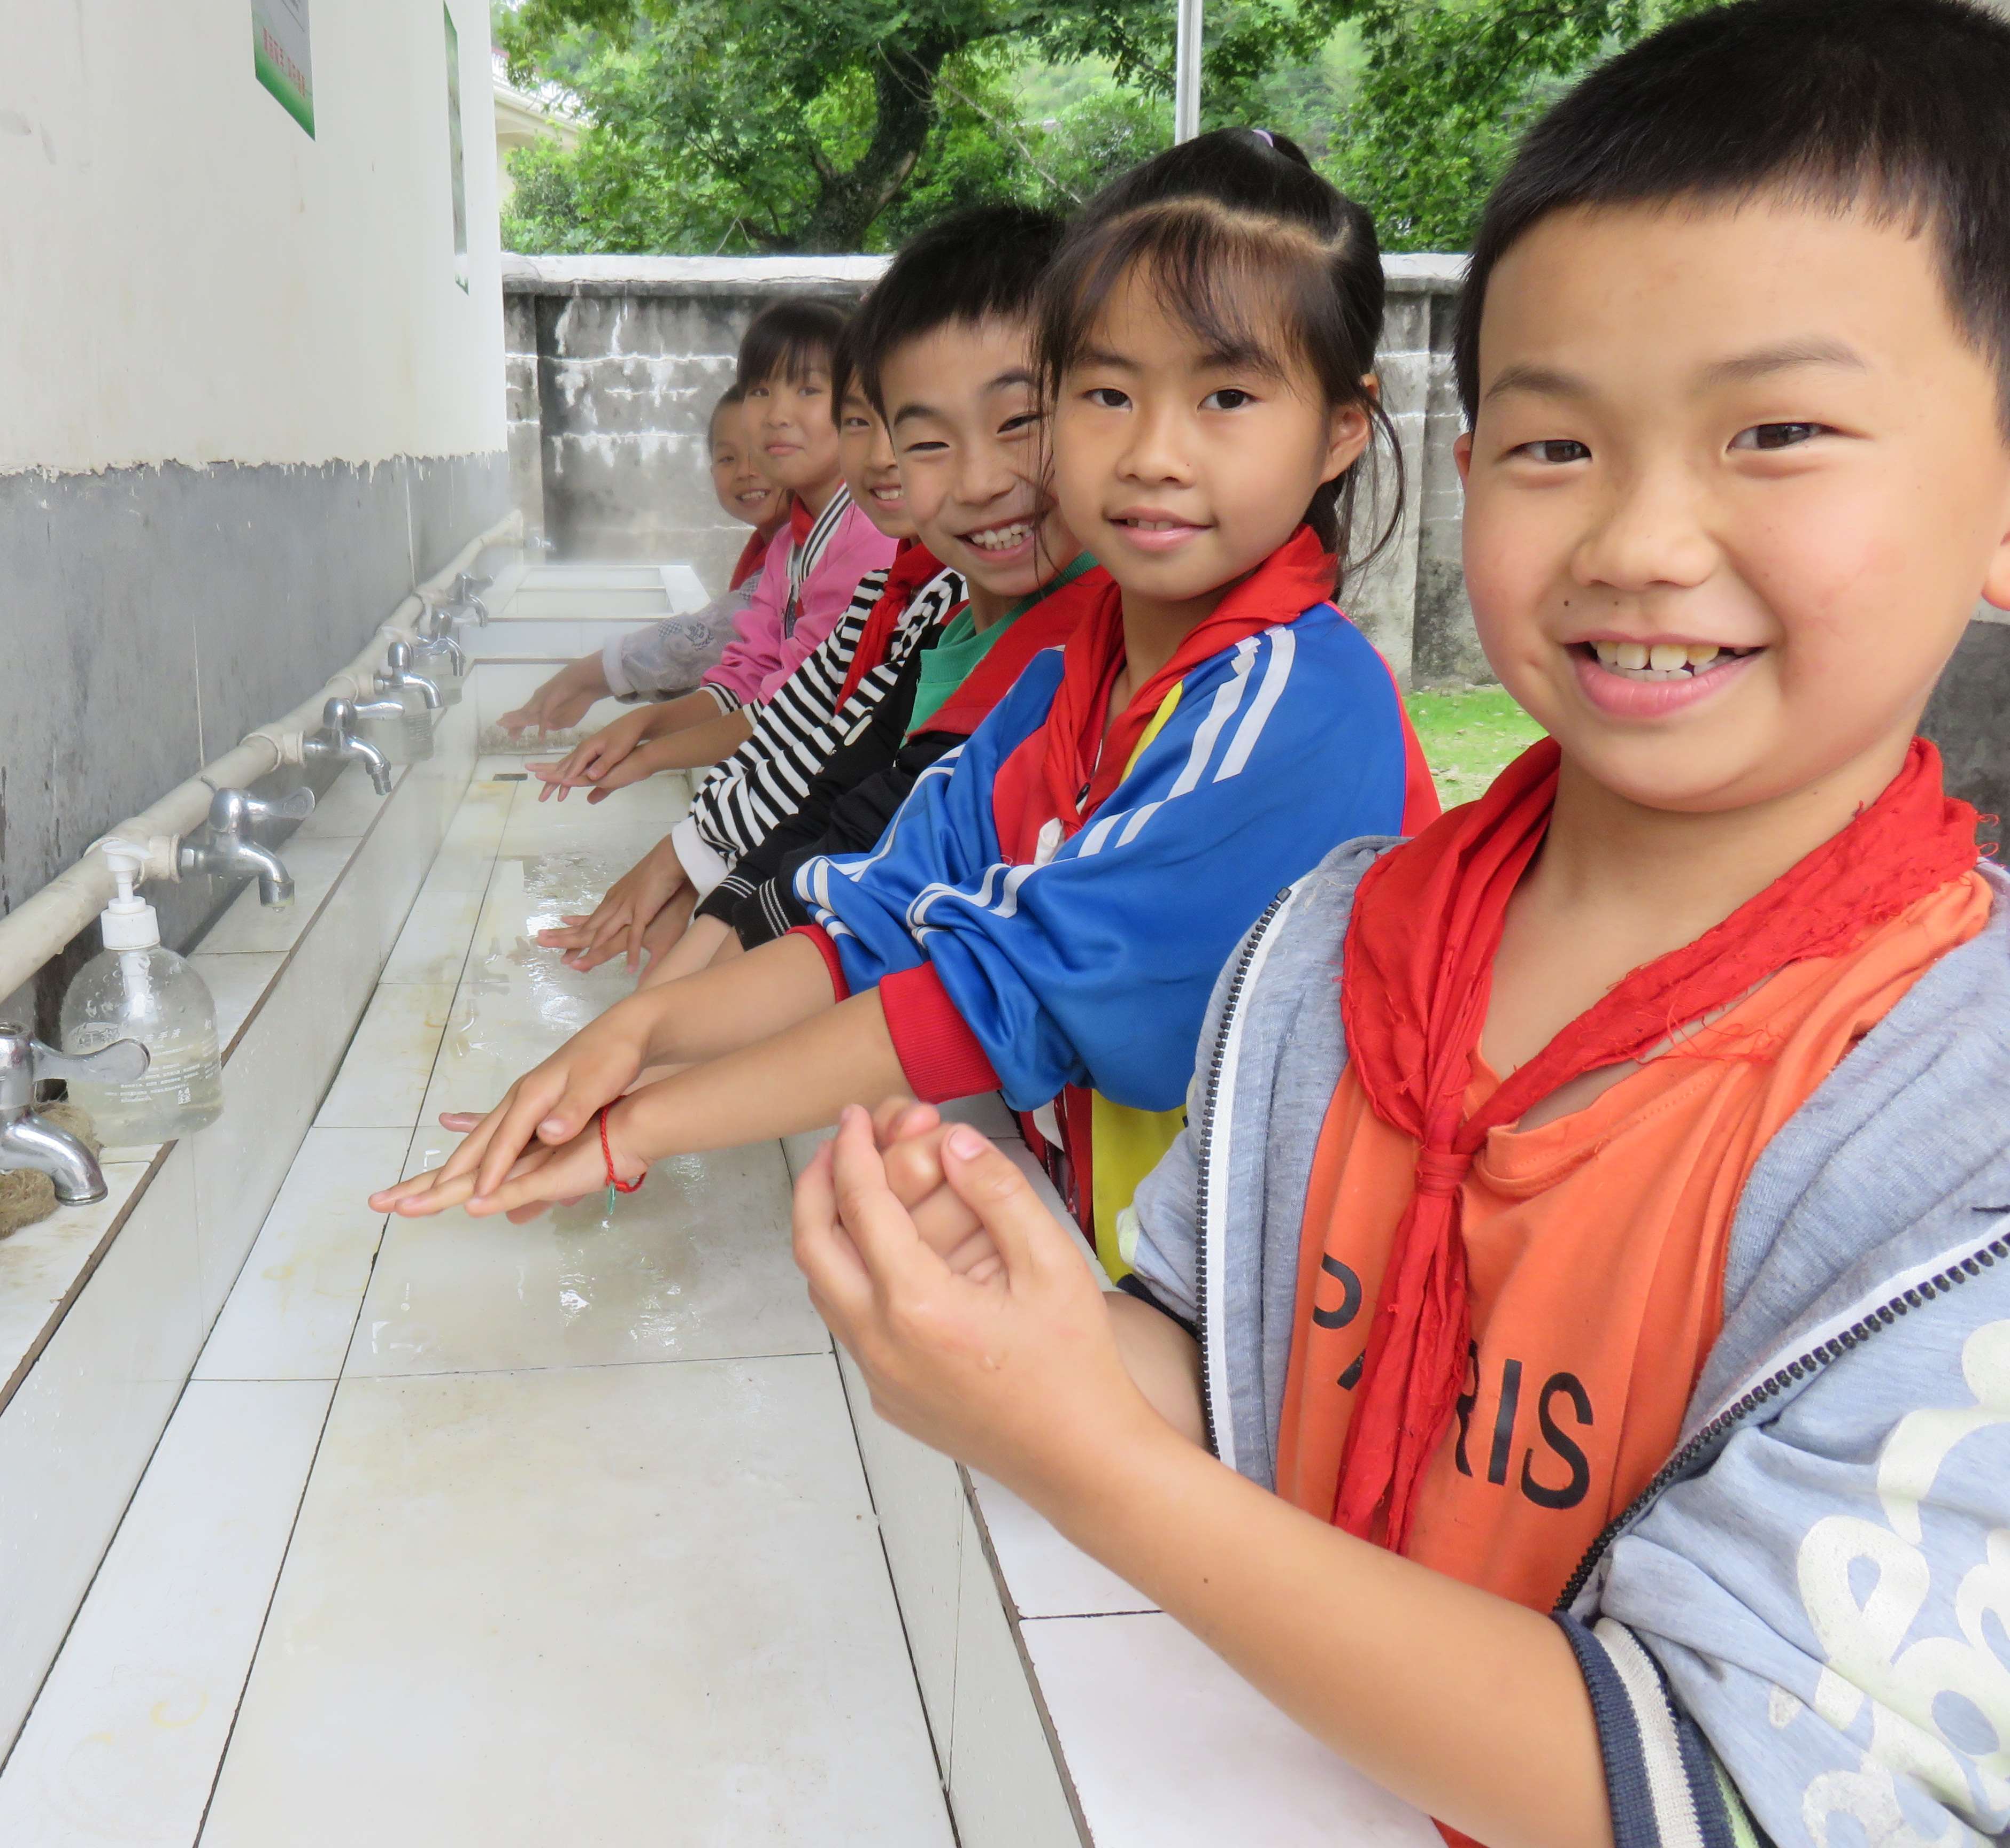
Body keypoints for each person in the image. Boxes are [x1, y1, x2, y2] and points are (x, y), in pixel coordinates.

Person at [795, 5, 2010, 1845]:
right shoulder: (1323, 955)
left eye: (1773, 429)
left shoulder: (1952, 1133)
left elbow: (1715, 1781)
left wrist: (1089, 1461)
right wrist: (1024, 1332)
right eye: (1549, 444)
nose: (1636, 538)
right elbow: (1215, 1361)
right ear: (1457, 470)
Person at [374, 130, 1433, 1277]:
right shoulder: (1065, 678)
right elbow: (878, 911)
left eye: (1226, 394)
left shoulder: (1292, 710)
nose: (1153, 455)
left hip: (1300, 1319)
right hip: (1155, 1263)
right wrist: (632, 1039)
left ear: (1338, 428)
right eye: (1108, 394)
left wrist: (636, 1122)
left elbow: (993, 996)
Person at [554, 205, 1077, 982]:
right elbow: (809, 745)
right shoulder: (878, 577)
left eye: (1019, 424)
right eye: (867, 424)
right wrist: (694, 873)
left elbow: (861, 817)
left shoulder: (943, 590)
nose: (972, 477)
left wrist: (687, 866)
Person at [528, 298, 896, 804]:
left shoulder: (867, 540)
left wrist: (649, 753)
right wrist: (644, 722)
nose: (776, 415)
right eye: (759, 391)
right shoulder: (792, 543)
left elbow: (793, 709)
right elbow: (745, 678)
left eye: (808, 389)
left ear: (855, 407)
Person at [496, 388, 785, 740]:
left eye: (765, 452)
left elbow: (722, 632)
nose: (747, 471)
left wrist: (588, 678)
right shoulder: (777, 547)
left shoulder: (803, 555)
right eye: (728, 458)